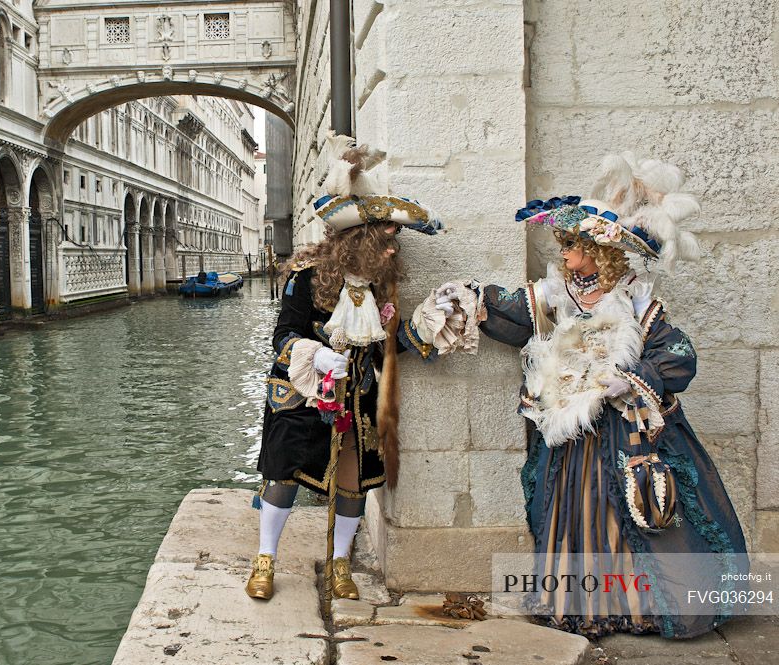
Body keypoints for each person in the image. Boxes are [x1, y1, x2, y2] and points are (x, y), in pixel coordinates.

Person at [434, 153, 749, 638]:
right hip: (570, 429)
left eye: (573, 247)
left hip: (620, 432)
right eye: (564, 246)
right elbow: (516, 310)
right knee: (575, 511)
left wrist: (635, 376)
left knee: (619, 508)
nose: (564, 255)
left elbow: (679, 354)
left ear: (598, 253)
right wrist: (472, 296)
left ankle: (637, 605)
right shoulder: (556, 295)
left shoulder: (637, 301)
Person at [246, 134, 450, 601]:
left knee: (354, 482)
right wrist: (315, 354)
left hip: (355, 400)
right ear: (360, 240)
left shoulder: (382, 291)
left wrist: (427, 330)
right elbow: (283, 337)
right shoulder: (304, 278)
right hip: (302, 394)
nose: (394, 252)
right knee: (283, 478)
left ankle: (340, 565)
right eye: (387, 241)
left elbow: (385, 351)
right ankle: (265, 561)